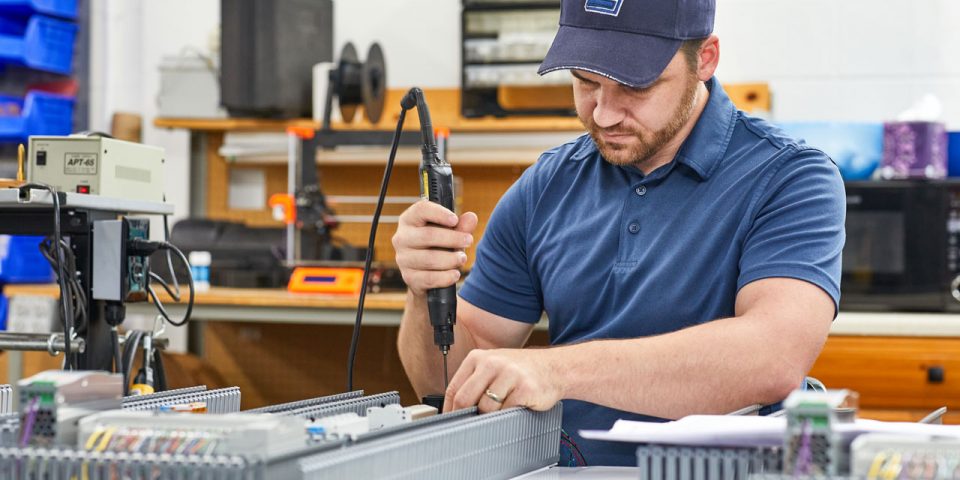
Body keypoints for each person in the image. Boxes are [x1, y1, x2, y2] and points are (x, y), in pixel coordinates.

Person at [394, 0, 845, 466]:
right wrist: (423, 292)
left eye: (635, 86)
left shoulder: (790, 177)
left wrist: (559, 370)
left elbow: (771, 357)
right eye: (586, 82)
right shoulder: (546, 185)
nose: (604, 115)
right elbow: (450, 381)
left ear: (704, 60)